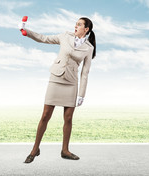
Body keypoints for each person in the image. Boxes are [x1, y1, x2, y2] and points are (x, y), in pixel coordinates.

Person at [20, 17, 96, 164]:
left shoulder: (89, 48)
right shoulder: (64, 36)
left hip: (72, 83)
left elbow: (85, 73)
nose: (76, 26)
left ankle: (65, 151)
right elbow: (43, 38)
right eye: (76, 24)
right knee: (45, 115)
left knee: (68, 119)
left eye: (79, 25)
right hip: (56, 78)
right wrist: (26, 31)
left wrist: (82, 94)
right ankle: (35, 149)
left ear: (86, 29)